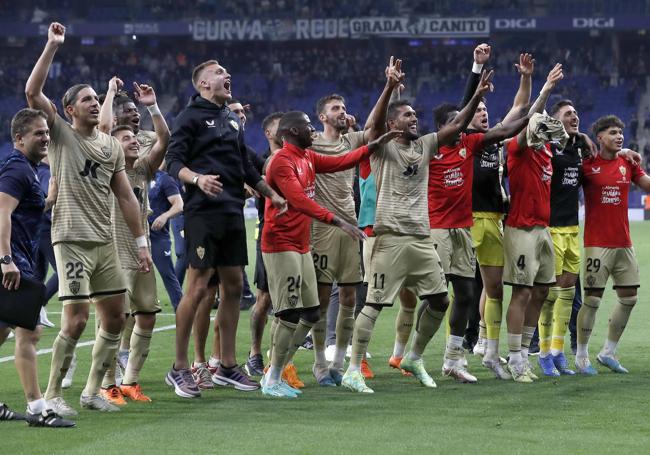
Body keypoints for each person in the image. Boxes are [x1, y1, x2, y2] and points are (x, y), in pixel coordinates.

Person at [26, 22, 153, 414]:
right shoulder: (62, 135)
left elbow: (126, 196)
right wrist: (51, 46)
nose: (95, 103)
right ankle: (52, 396)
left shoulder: (112, 146)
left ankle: (92, 391)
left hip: (106, 242)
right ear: (68, 111)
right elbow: (33, 93)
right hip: (71, 239)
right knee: (77, 320)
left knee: (115, 318)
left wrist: (140, 242)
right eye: (86, 99)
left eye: (97, 98)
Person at [342, 68, 495, 393]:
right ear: (393, 124)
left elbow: (455, 125)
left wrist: (478, 96)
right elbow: (373, 125)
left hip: (421, 239)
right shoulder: (382, 147)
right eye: (408, 115)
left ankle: (413, 357)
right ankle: (353, 369)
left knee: (440, 300)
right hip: (389, 238)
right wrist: (388, 87)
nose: (415, 119)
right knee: (375, 303)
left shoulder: (425, 145)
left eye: (415, 115)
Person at [165, 59, 287, 398]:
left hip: (232, 210)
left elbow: (245, 166)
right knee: (199, 286)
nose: (227, 75)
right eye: (219, 73)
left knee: (234, 286)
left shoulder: (232, 120)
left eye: (227, 73)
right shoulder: (189, 117)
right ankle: (179, 367)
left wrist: (271, 195)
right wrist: (198, 179)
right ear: (203, 84)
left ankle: (228, 366)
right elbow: (172, 161)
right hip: (202, 213)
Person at [259, 111, 400, 397]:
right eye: (307, 126)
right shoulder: (282, 161)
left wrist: (374, 144)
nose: (312, 130)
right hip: (281, 243)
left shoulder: (307, 157)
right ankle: (272, 377)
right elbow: (298, 200)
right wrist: (338, 221)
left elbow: (341, 161)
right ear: (290, 132)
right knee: (288, 312)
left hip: (301, 244)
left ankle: (278, 367)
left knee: (311, 312)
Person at [308, 57, 408, 385]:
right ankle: (319, 364)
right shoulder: (311, 144)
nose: (341, 111)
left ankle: (340, 362)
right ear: (323, 116)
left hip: (350, 228)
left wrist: (389, 87)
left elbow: (375, 128)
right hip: (323, 228)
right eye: (335, 108)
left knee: (351, 297)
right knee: (323, 299)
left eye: (343, 107)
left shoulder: (351, 141)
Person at [429, 86, 530, 383]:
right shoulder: (458, 143)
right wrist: (476, 77)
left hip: (494, 219)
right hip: (462, 221)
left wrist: (529, 81)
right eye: (478, 110)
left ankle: (486, 346)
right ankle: (452, 354)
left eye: (487, 109)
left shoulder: (492, 142)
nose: (483, 113)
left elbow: (519, 109)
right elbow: (466, 110)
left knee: (493, 287)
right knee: (452, 291)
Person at [96, 77, 170, 404]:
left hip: (141, 249)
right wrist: (111, 94)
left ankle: (130, 381)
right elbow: (102, 128)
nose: (133, 115)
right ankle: (107, 383)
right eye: (127, 112)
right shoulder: (102, 156)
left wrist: (151, 106)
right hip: (113, 247)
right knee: (116, 317)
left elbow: (164, 139)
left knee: (148, 313)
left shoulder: (140, 164)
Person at [0, 108, 74, 427]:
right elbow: (1, 211)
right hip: (13, 263)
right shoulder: (17, 169)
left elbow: (23, 212)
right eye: (38, 134)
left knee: (2, 331)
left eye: (47, 132)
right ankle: (37, 409)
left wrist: (49, 200)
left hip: (19, 260)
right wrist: (6, 260)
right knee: (31, 332)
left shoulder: (27, 170)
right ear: (19, 138)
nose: (45, 138)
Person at [502, 64, 566, 383]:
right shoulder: (518, 149)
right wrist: (545, 90)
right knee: (523, 293)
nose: (543, 129)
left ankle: (525, 352)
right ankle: (515, 359)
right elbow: (529, 119)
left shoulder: (547, 153)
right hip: (521, 228)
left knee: (542, 291)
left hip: (542, 229)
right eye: (538, 126)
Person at [575, 115, 650, 374]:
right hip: (597, 244)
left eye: (621, 133)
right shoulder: (587, 166)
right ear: (600, 138)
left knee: (629, 298)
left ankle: (607, 352)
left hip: (624, 243)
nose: (619, 136)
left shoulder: (627, 164)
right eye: (613, 133)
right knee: (592, 301)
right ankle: (581, 355)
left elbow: (646, 184)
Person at [245, 111, 284, 377]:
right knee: (265, 299)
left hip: (300, 238)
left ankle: (279, 359)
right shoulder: (262, 164)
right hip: (270, 237)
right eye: (282, 128)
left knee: (294, 302)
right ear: (269, 134)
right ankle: (255, 353)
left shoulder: (301, 160)